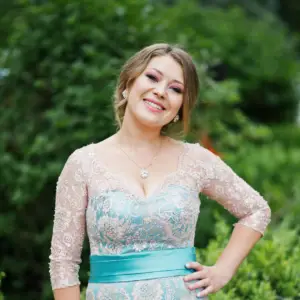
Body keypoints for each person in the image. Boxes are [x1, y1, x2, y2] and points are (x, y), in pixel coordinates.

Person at [49, 43, 271, 300]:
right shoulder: (83, 163)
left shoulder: (195, 159)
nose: (161, 91)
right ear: (127, 84)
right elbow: (63, 262)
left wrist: (223, 270)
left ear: (180, 107)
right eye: (152, 77)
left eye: (175, 89)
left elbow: (256, 210)